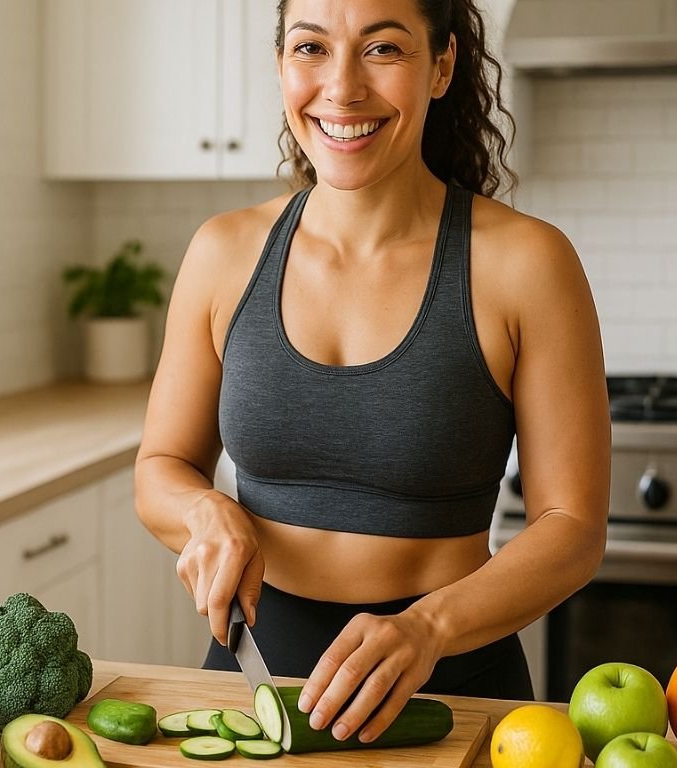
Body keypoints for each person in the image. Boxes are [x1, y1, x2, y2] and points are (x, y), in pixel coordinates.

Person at [135, 0, 609, 746]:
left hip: (451, 690)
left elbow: (573, 527)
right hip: (250, 680)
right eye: (311, 48)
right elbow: (161, 466)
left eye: (382, 49)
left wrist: (428, 627)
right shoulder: (223, 253)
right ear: (281, 64)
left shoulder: (527, 264)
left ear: (443, 65)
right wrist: (206, 512)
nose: (342, 87)